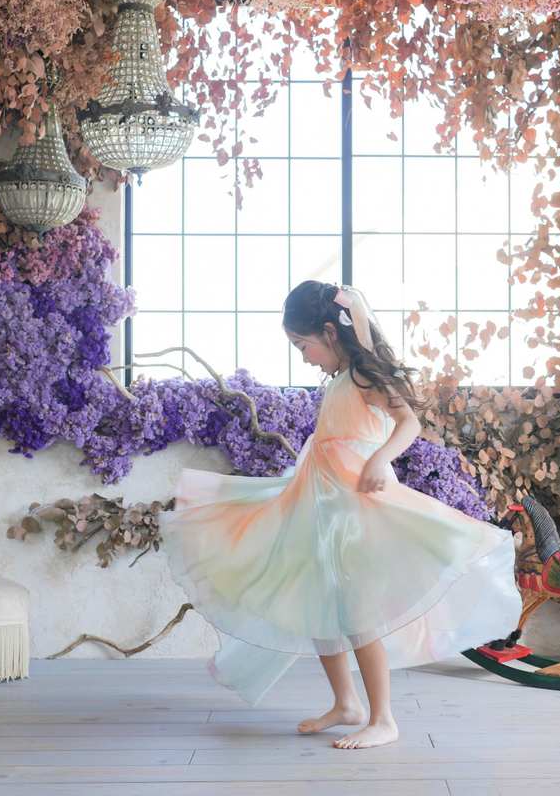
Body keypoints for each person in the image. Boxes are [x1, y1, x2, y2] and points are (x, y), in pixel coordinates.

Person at [159, 279, 522, 750]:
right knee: (319, 607)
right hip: (318, 503)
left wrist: (381, 458)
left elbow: (408, 421)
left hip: (353, 508)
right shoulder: (341, 379)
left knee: (357, 612)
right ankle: (346, 703)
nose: (303, 357)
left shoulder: (366, 376)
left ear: (330, 333)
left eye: (303, 345)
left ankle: (383, 718)